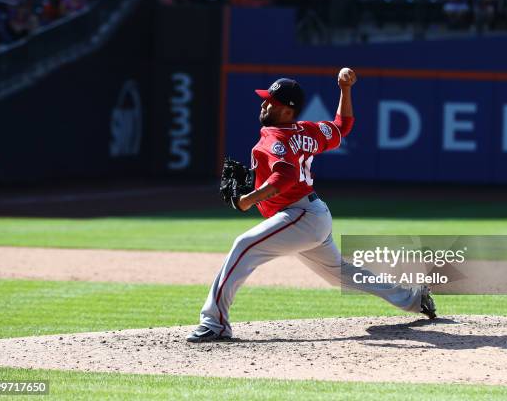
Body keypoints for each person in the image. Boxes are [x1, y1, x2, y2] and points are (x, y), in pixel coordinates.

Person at [186, 68, 436, 343]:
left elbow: (286, 176)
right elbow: (343, 126)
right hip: (311, 215)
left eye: (271, 101)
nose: (264, 103)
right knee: (341, 274)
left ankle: (215, 323)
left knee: (244, 245)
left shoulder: (275, 136)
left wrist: (248, 200)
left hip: (300, 215)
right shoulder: (309, 131)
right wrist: (345, 89)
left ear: (287, 110)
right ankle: (414, 298)